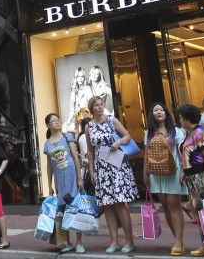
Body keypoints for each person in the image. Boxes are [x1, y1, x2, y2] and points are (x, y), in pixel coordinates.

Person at [86, 95, 138, 255]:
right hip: (101, 168)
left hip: (116, 166)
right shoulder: (89, 126)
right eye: (96, 105)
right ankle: (114, 241)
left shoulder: (111, 120)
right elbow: (90, 151)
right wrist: (92, 171)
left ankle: (129, 241)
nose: (100, 107)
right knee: (107, 205)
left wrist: (118, 142)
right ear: (91, 108)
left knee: (120, 203)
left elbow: (127, 136)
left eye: (101, 104)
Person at [177, 104, 204, 259]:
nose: (180, 120)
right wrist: (184, 171)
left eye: (181, 118)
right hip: (192, 177)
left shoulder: (200, 133)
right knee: (201, 210)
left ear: (186, 118)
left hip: (201, 175)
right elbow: (188, 155)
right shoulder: (190, 133)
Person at [144, 101, 185, 257]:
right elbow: (147, 153)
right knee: (166, 207)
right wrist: (145, 173)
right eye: (156, 110)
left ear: (166, 113)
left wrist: (184, 170)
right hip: (156, 173)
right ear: (152, 114)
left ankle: (178, 241)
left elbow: (182, 152)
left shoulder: (175, 131)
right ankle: (177, 239)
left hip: (174, 171)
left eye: (162, 109)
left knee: (174, 205)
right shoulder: (149, 132)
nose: (159, 112)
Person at [45, 112, 85, 254]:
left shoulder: (67, 137)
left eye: (58, 120)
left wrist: (79, 178)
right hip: (59, 181)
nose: (57, 122)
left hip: (72, 177)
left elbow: (75, 157)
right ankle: (67, 242)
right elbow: (49, 166)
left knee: (75, 208)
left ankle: (79, 242)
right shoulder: (47, 143)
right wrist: (49, 185)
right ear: (48, 125)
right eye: (53, 121)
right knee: (62, 210)